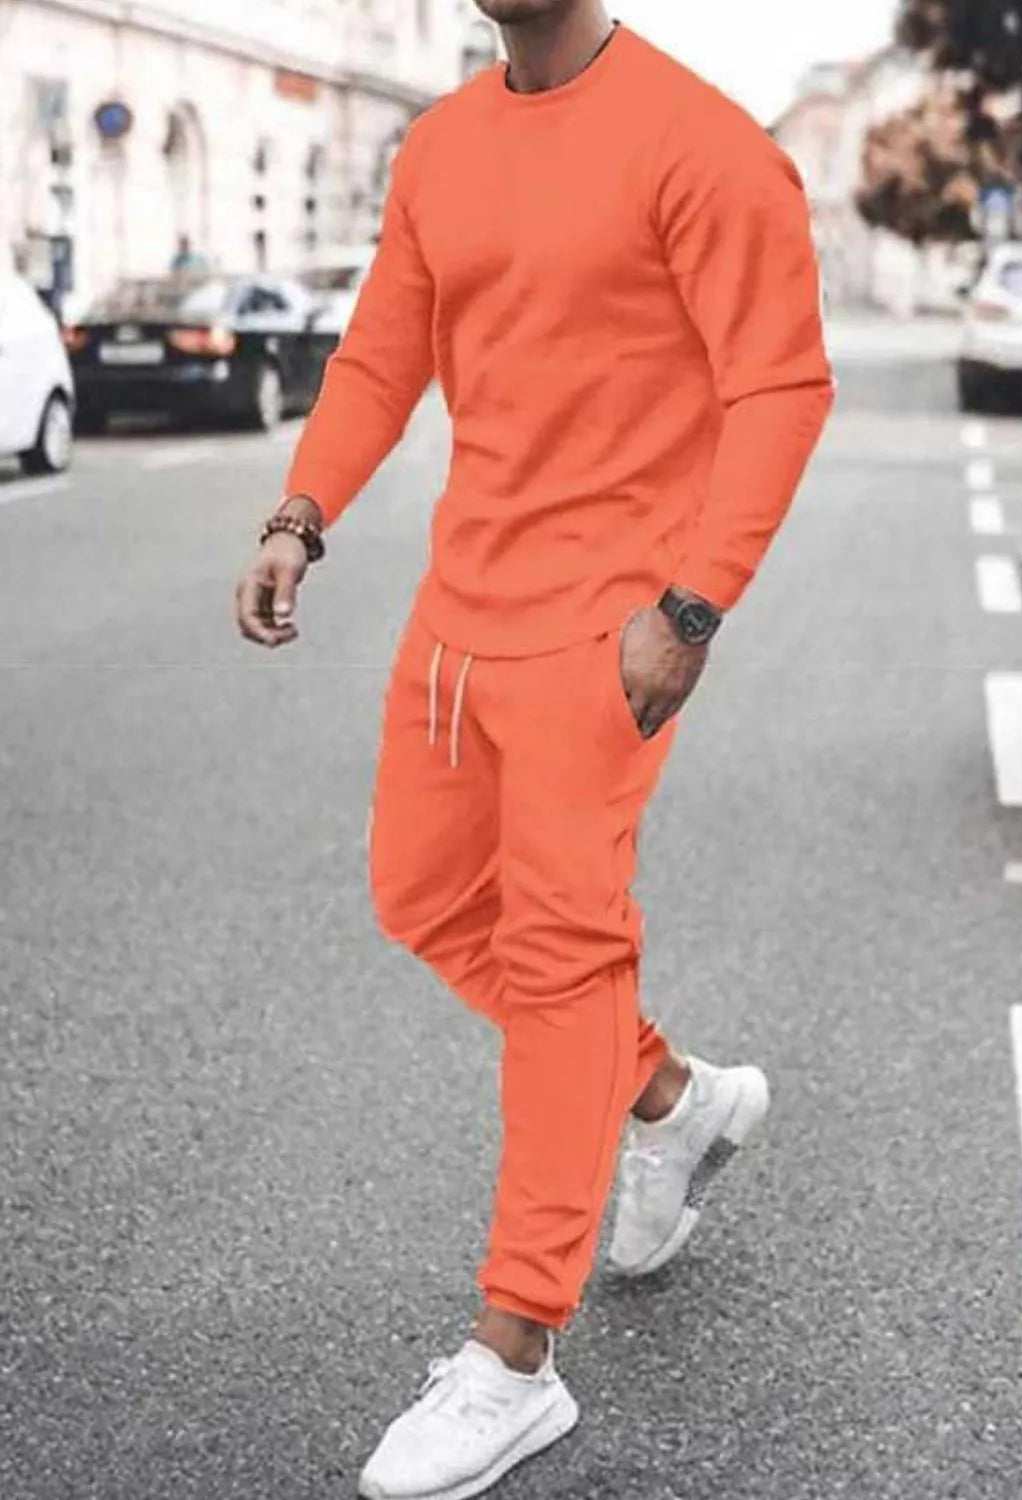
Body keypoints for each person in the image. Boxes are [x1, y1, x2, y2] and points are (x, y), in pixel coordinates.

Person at [234, 3, 834, 1495]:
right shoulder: (442, 144)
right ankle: (671, 1099)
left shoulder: (703, 146)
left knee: (563, 958)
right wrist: (302, 513)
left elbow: (779, 385)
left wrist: (689, 609)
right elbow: (382, 352)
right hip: (457, 619)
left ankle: (514, 1355)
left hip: (604, 632)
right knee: (424, 897)